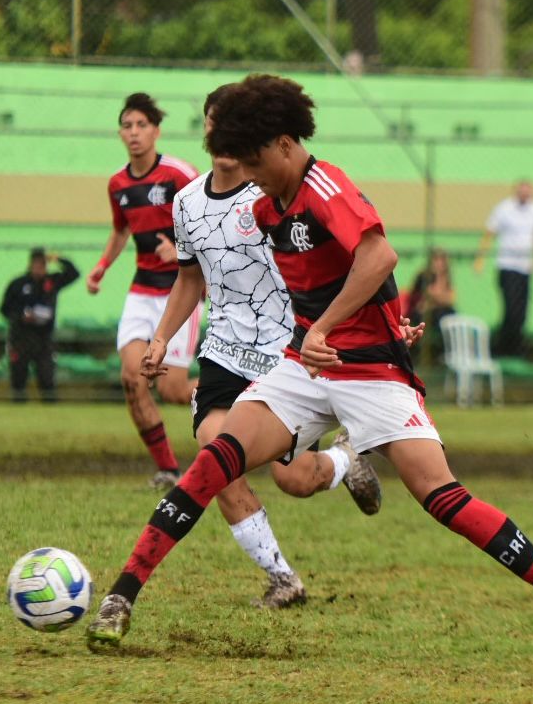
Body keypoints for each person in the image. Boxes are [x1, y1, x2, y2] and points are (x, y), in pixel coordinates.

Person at [86, 74, 533, 670]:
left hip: (369, 371)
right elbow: (318, 279)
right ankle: (120, 597)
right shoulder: (265, 205)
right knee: (218, 455)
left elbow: (379, 255)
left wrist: (345, 328)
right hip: (303, 365)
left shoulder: (324, 186)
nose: (252, 174)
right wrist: (365, 319)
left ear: (285, 143)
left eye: (257, 159)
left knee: (442, 497)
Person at [137, 84, 384, 607]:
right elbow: (188, 279)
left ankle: (345, 463)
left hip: (284, 353)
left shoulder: (274, 191)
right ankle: (282, 578)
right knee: (216, 460)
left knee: (295, 479)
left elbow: (348, 260)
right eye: (215, 123)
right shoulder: (186, 202)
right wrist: (161, 338)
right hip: (224, 352)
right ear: (207, 129)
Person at [86, 93, 202, 489]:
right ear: (120, 133)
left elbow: (212, 216)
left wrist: (181, 248)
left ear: (156, 131)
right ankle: (169, 469)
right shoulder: (117, 183)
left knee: (171, 389)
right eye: (127, 125)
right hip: (141, 292)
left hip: (181, 293)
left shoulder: (179, 174)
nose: (133, 133)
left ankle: (242, 398)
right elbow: (120, 231)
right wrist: (102, 267)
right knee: (132, 379)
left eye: (141, 125)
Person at [474, 181, 533, 357]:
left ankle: (516, 348)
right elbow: (490, 233)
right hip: (507, 266)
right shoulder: (504, 209)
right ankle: (504, 348)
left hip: (524, 267)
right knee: (511, 309)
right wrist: (480, 258)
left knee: (522, 310)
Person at [0, 248, 79, 403]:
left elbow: (74, 273)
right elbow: (4, 309)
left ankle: (51, 415)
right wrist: (22, 316)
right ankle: (17, 412)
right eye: (36, 264)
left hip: (44, 339)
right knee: (18, 378)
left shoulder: (52, 282)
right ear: (30, 265)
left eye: (42, 264)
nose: (39, 268)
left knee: (46, 378)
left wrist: (57, 258)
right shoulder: (17, 284)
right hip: (20, 338)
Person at [406, 248, 457, 356]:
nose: (439, 263)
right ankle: (436, 353)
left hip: (436, 310)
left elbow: (450, 299)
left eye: (442, 260)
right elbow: (430, 295)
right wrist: (439, 297)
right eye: (436, 260)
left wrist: (438, 298)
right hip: (420, 313)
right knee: (440, 315)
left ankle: (448, 352)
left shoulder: (446, 278)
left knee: (451, 313)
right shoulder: (424, 276)